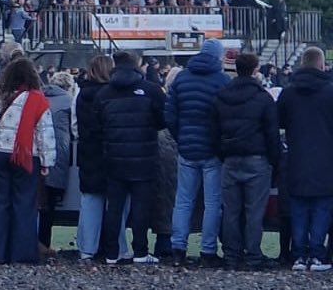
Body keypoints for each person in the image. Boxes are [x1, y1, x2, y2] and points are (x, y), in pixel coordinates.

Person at [0, 57, 56, 265]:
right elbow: (45, 133)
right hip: (26, 153)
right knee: (24, 203)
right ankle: (21, 252)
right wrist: (47, 162)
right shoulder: (38, 99)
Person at [95, 50, 166, 265]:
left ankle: (111, 253)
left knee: (114, 207)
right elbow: (162, 120)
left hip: (114, 157)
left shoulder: (104, 94)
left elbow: (97, 125)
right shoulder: (151, 90)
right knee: (141, 207)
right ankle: (140, 252)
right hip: (144, 157)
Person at [165, 38, 229, 267]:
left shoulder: (181, 78)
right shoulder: (222, 80)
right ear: (218, 56)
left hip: (186, 147)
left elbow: (170, 115)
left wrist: (181, 137)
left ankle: (178, 248)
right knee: (213, 203)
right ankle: (208, 251)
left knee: (183, 200)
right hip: (211, 149)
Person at [212, 52, 279, 270]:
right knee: (254, 212)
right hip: (257, 158)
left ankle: (231, 255)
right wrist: (274, 160)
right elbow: (272, 134)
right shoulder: (263, 98)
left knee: (231, 211)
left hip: (230, 158)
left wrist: (222, 152)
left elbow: (214, 131)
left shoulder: (221, 96)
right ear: (255, 69)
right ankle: (253, 256)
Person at [276, 46, 333, 273]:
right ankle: (317, 255)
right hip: (326, 159)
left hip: (297, 157)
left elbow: (279, 121)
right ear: (322, 65)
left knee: (298, 208)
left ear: (301, 64)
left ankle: (299, 255)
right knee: (322, 208)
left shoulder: (288, 93)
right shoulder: (330, 92)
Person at [73, 54, 126, 261]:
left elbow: (75, 126)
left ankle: (87, 247)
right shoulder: (114, 94)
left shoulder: (81, 95)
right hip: (112, 150)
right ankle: (118, 247)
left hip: (88, 149)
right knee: (117, 203)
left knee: (90, 199)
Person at [39, 70, 75, 256]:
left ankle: (32, 241)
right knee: (50, 203)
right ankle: (44, 242)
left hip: (38, 152)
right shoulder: (69, 102)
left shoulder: (40, 97)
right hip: (59, 154)